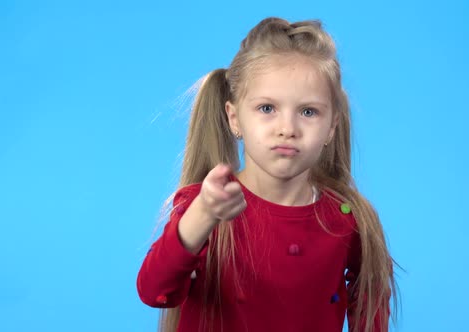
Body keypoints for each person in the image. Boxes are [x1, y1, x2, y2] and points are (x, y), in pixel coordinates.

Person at [137, 17, 399, 332]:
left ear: (331, 126)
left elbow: (370, 309)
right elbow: (154, 291)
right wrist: (203, 215)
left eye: (308, 112)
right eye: (267, 108)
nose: (287, 129)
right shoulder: (204, 207)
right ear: (234, 118)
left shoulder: (347, 219)